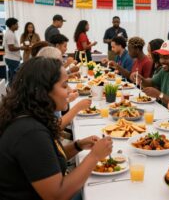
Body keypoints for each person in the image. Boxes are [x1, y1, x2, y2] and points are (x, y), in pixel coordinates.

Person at [0, 57, 112, 200]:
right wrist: (95, 156)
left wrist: (78, 146)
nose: (70, 90)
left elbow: (47, 160)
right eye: (64, 86)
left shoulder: (30, 117)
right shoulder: (30, 133)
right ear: (43, 91)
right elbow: (57, 195)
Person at [3, 17, 27, 85]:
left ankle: (11, 91)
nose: (18, 26)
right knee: (14, 77)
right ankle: (12, 92)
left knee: (13, 76)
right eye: (16, 24)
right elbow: (11, 48)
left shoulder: (10, 33)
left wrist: (19, 56)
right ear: (12, 25)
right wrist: (21, 47)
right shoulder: (10, 34)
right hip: (12, 59)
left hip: (13, 58)